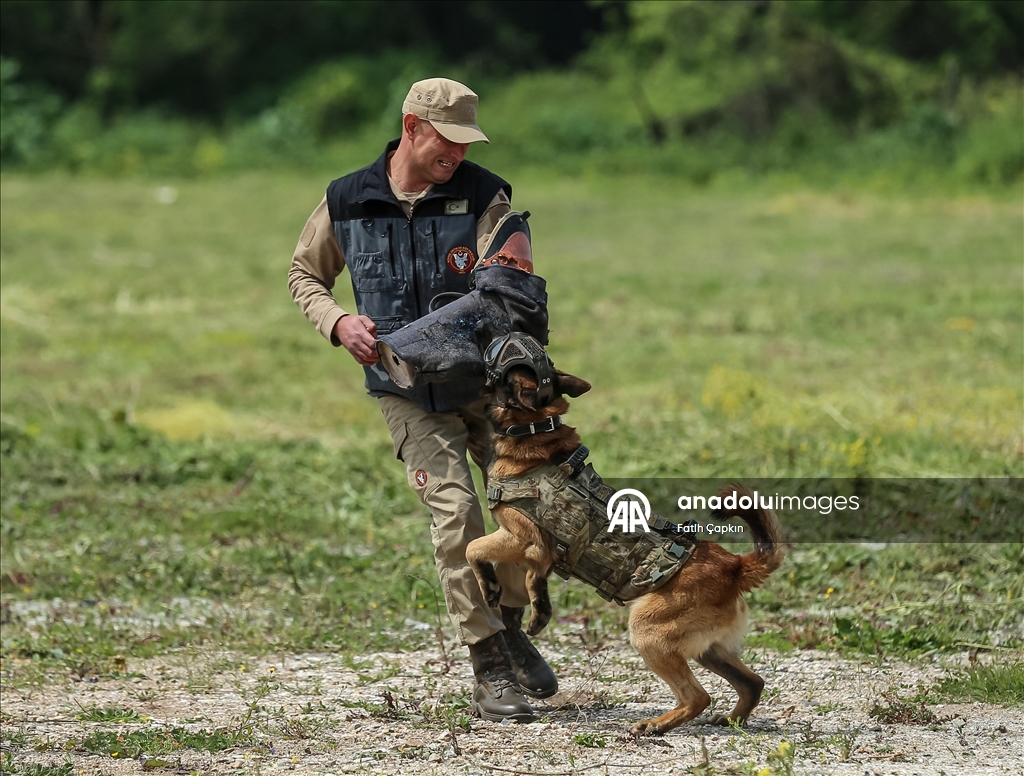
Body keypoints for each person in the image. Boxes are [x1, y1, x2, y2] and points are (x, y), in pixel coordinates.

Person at [288, 78, 557, 723]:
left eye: (466, 143)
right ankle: (489, 663)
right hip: (405, 390)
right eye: (447, 141)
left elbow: (511, 287)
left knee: (523, 507)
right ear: (411, 127)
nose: (457, 155)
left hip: (486, 386)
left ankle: (510, 624)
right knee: (457, 511)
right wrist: (337, 322)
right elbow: (305, 274)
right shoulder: (347, 200)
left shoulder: (485, 196)